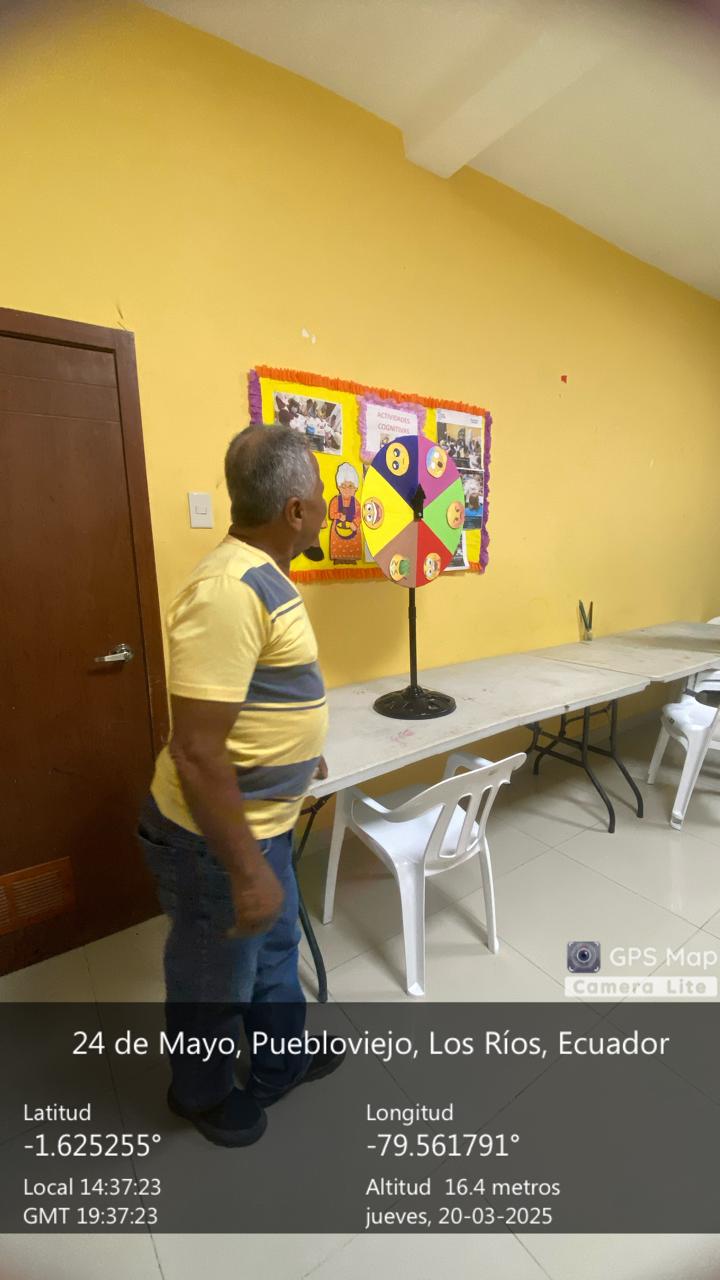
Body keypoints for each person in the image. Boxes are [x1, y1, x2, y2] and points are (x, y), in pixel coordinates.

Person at [137, 425, 344, 1147]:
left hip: (265, 821)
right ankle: (197, 1093)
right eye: (321, 495)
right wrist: (247, 869)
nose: (328, 507)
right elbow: (196, 753)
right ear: (295, 510)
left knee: (275, 953)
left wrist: (299, 750)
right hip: (214, 839)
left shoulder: (264, 574)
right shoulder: (227, 590)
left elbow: (255, 695)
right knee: (212, 978)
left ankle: (278, 1065)